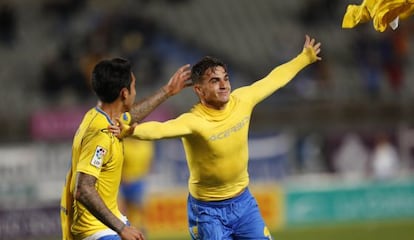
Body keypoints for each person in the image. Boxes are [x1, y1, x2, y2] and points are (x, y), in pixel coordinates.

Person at [117, 35, 322, 239]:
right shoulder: (194, 121)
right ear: (199, 90)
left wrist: (304, 58)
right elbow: (160, 130)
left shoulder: (243, 100)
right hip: (207, 212)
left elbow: (274, 79)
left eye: (226, 78)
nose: (224, 85)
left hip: (243, 204)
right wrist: (131, 131)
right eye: (215, 81)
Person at [60, 58, 191, 240]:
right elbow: (83, 188)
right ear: (124, 93)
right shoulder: (100, 133)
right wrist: (122, 229)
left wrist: (167, 91)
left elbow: (131, 116)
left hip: (108, 223)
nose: (135, 92)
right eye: (134, 87)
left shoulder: (102, 117)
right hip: (95, 231)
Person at [118, 112, 155, 235]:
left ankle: (142, 232)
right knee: (126, 210)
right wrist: (123, 178)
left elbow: (149, 162)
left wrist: (144, 175)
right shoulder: (124, 144)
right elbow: (119, 165)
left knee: (140, 209)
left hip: (139, 180)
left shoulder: (147, 144)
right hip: (125, 181)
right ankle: (130, 232)